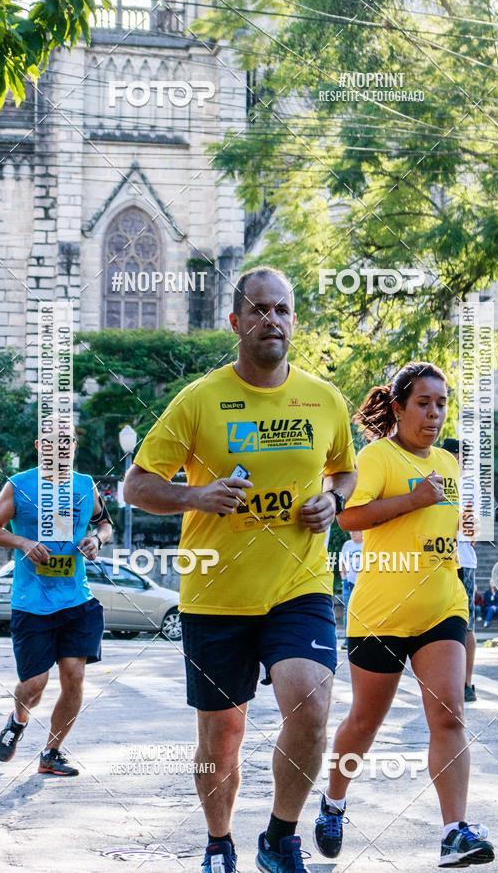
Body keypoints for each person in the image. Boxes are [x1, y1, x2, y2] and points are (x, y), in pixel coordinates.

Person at [124, 266, 357, 873]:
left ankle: (280, 837)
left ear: (294, 320)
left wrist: (333, 501)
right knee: (222, 736)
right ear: (235, 321)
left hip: (298, 586)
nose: (270, 320)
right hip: (215, 595)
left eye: (281, 309)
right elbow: (136, 486)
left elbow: (344, 470)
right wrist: (195, 497)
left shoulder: (324, 398)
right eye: (257, 310)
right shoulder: (199, 400)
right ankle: (219, 843)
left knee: (309, 704)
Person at [313, 361, 494, 869]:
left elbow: (446, 533)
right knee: (365, 722)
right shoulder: (377, 457)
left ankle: (454, 831)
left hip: (442, 607)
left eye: (442, 404)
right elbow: (347, 518)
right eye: (423, 403)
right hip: (380, 613)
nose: (434, 413)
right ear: (398, 408)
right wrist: (413, 500)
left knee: (449, 715)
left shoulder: (451, 464)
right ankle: (334, 800)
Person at [0, 426, 112, 776]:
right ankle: (18, 720)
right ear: (41, 445)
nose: (62, 447)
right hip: (31, 602)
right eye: (54, 442)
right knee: (35, 684)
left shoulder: (86, 485)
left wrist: (97, 540)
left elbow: (104, 524)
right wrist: (23, 543)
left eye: (68, 441)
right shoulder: (20, 484)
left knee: (74, 676)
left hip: (77, 600)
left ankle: (51, 752)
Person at [440, 438, 479, 703]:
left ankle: (466, 684)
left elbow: (470, 526)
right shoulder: (435, 480)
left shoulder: (469, 485)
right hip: (439, 558)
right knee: (439, 624)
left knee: (465, 624)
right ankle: (444, 682)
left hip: (462, 560)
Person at [339, 531, 363, 650]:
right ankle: (348, 639)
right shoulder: (347, 545)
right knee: (348, 610)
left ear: (362, 532)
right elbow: (342, 563)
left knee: (364, 610)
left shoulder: (367, 544)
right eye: (351, 532)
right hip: (348, 583)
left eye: (355, 531)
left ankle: (362, 637)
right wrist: (344, 579)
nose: (352, 534)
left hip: (363, 583)